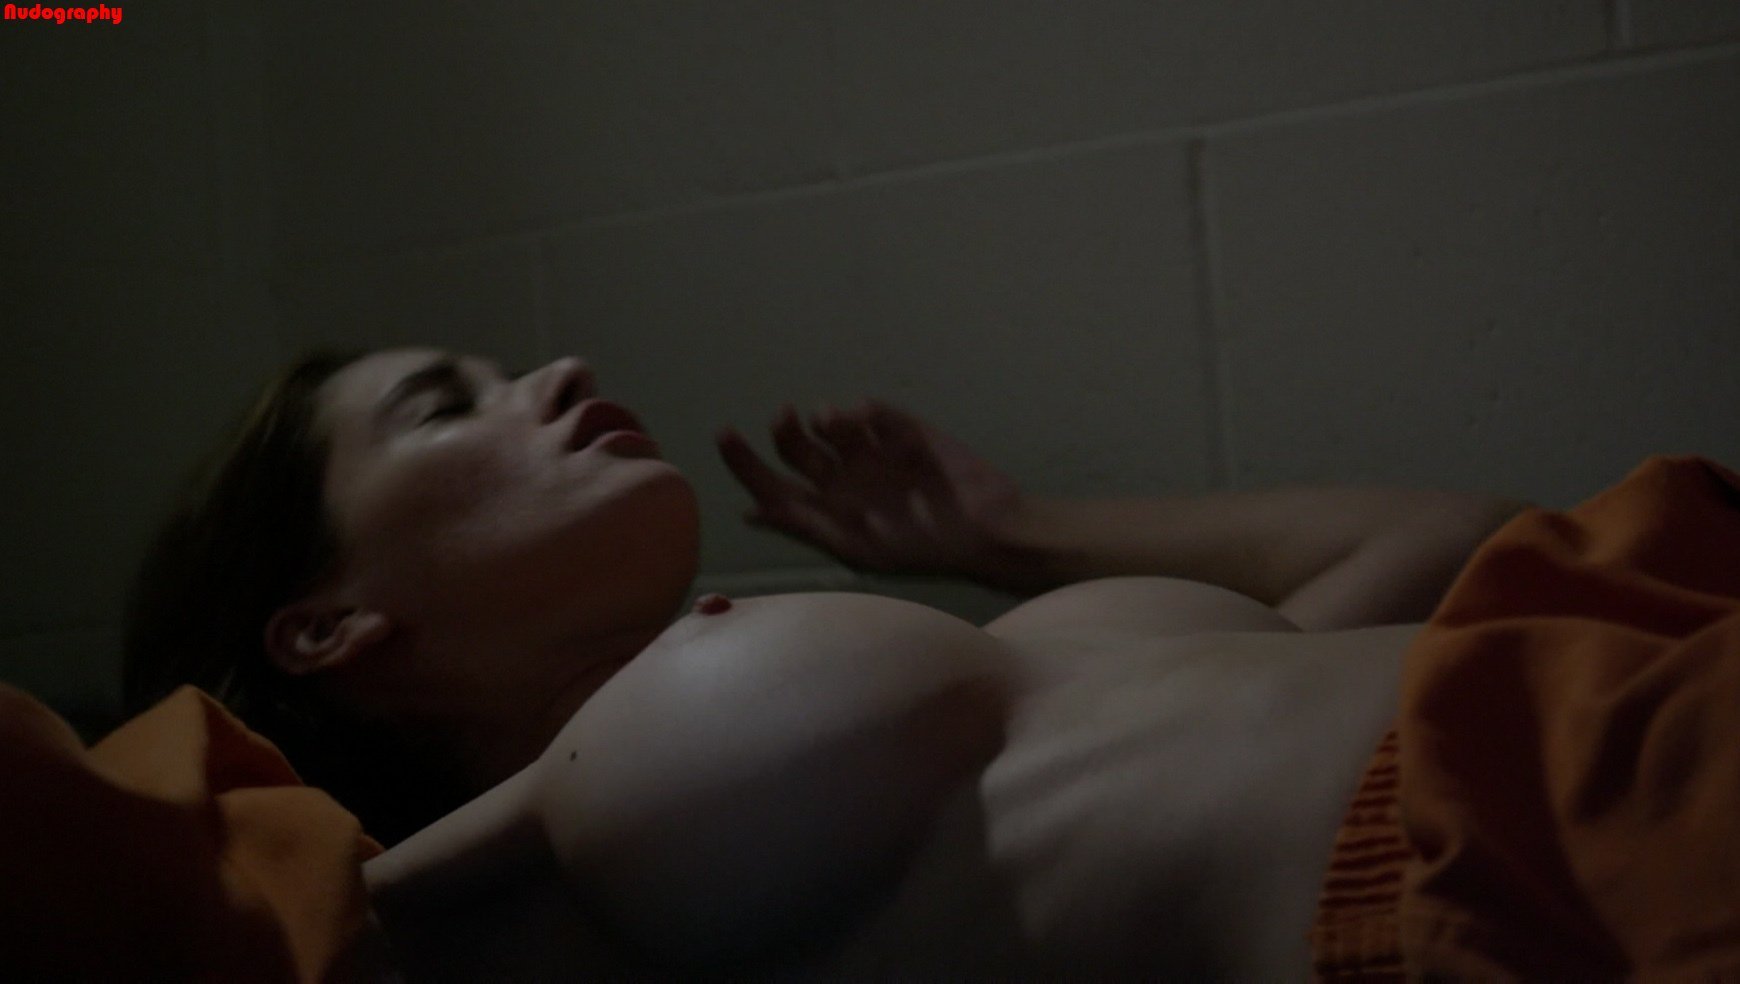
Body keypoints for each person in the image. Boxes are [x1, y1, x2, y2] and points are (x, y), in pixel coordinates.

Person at [123, 348, 1528, 980]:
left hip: (1570, 701)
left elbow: (1449, 548)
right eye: (448, 405)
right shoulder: (479, 921)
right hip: (1501, 899)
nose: (558, 371)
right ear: (323, 627)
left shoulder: (1002, 672)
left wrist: (1008, 535)